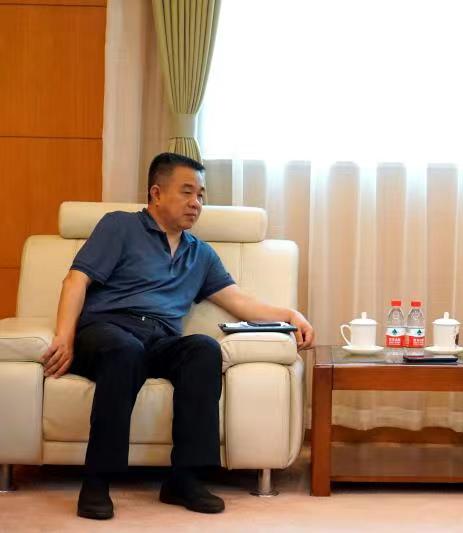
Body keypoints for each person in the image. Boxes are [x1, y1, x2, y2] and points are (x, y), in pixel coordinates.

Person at [40, 152, 314, 520]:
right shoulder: (120, 226)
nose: (196, 203)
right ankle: (97, 480)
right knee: (125, 351)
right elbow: (76, 280)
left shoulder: (199, 254)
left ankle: (184, 479)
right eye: (187, 192)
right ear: (156, 193)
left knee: (203, 349)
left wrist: (291, 315)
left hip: (159, 339)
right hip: (107, 331)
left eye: (200, 195)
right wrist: (64, 336)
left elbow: (240, 302)